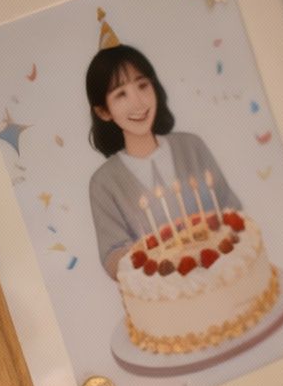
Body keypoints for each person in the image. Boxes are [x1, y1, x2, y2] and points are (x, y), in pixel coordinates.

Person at [86, 16, 242, 280]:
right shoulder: (104, 183)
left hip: (227, 277)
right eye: (121, 94)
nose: (138, 102)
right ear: (103, 111)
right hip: (167, 304)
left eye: (143, 85)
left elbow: (230, 209)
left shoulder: (192, 146)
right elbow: (113, 256)